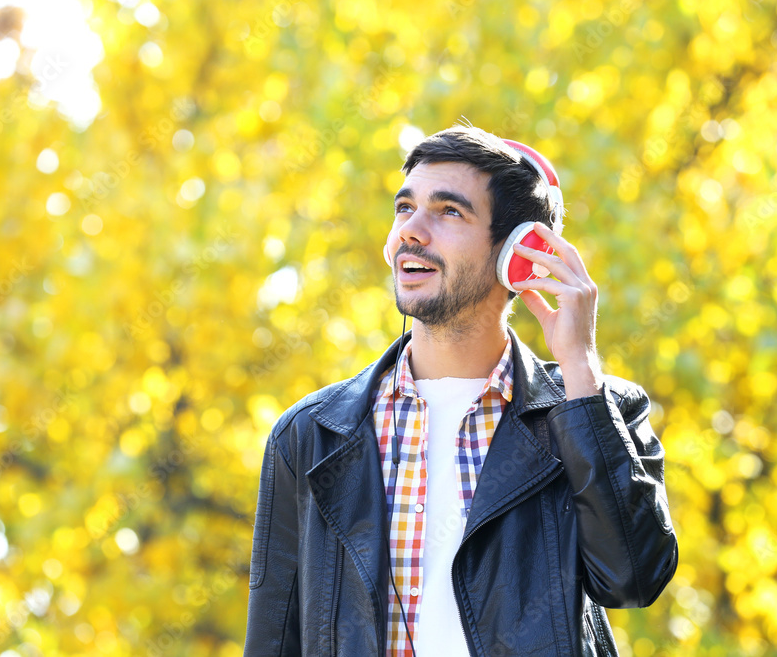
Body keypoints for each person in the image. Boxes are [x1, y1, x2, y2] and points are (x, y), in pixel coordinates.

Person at [245, 125, 678, 656]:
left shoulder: (597, 414)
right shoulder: (310, 435)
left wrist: (580, 369)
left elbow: (632, 578)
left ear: (519, 256)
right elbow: (272, 641)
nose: (412, 231)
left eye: (448, 211)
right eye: (405, 209)